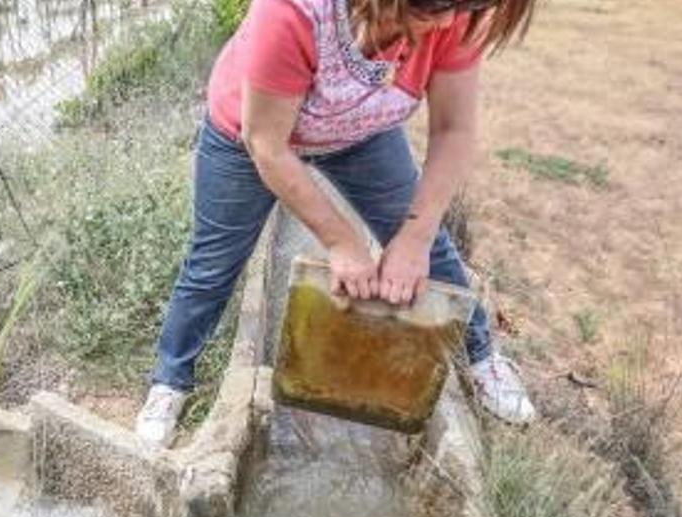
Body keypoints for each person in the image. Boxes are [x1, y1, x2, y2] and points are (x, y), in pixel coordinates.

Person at [135, 0, 540, 448]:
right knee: (213, 265)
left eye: (468, 5)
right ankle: (170, 382)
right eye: (434, 5)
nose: (448, 21)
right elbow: (266, 145)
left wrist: (414, 238)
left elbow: (454, 130)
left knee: (433, 249)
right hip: (249, 137)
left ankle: (483, 358)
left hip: (361, 133)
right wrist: (342, 242)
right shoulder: (292, 11)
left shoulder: (456, 14)